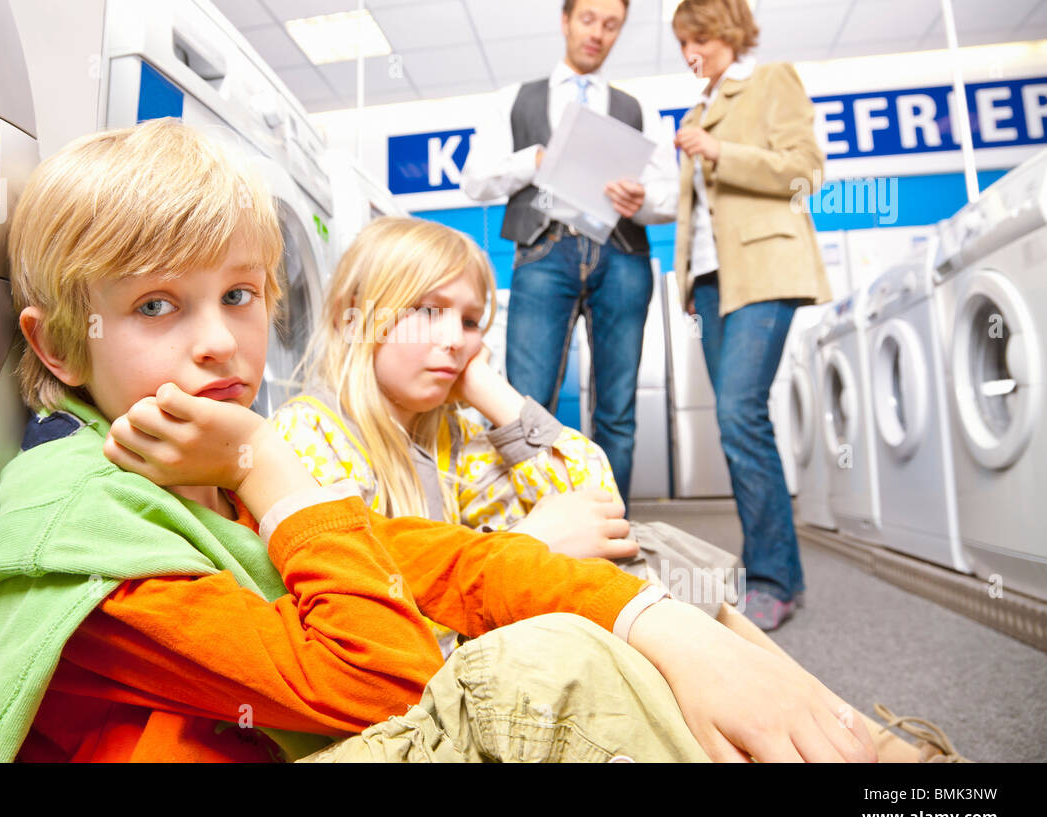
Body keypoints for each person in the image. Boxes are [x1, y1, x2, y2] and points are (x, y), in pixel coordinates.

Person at [0, 117, 880, 763]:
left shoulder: (222, 466)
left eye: (239, 296)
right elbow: (385, 675)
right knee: (548, 665)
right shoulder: (139, 506)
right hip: (357, 689)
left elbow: (482, 551)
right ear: (59, 344)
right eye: (158, 305)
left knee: (644, 581)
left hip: (354, 676)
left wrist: (655, 618)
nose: (220, 340)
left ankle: (868, 748)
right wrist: (261, 465)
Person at [268, 217, 952, 764]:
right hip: (405, 693)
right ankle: (845, 742)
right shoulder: (309, 433)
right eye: (428, 310)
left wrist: (496, 395)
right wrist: (529, 545)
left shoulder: (453, 436)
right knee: (634, 579)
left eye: (472, 321)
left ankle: (829, 734)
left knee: (640, 549)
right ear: (355, 319)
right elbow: (362, 621)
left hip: (470, 643)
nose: (455, 340)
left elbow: (600, 503)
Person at [461, 0, 678, 504]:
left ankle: (610, 533)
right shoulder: (515, 100)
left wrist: (641, 200)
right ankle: (540, 530)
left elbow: (669, 197)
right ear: (565, 21)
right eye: (588, 20)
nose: (598, 33)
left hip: (622, 258)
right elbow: (474, 181)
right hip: (543, 251)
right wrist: (532, 160)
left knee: (617, 408)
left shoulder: (637, 107)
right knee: (527, 401)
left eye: (611, 26)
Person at [669, 0, 829, 631]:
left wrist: (720, 151)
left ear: (730, 32)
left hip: (765, 269)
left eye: (698, 39)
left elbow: (804, 171)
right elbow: (697, 210)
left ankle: (774, 579)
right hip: (710, 281)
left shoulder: (770, 81)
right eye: (682, 42)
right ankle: (763, 563)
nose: (689, 53)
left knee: (740, 414)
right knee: (734, 422)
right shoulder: (698, 107)